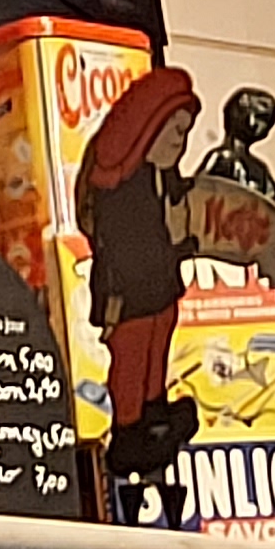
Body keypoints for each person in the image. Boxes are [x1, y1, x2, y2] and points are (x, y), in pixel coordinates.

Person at [78, 67, 207, 474]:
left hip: (159, 285)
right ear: (149, 127)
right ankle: (130, 429)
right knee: (132, 355)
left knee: (158, 342)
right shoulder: (117, 184)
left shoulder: (155, 175)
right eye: (175, 130)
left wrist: (178, 249)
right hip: (130, 293)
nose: (180, 142)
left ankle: (154, 410)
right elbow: (123, 245)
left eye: (185, 132)